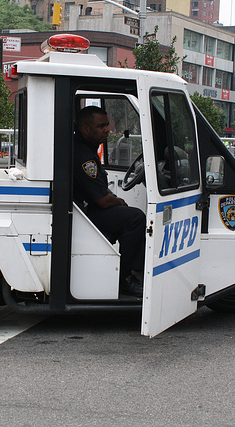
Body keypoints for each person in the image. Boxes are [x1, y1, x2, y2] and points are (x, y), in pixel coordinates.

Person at [73, 106, 146, 297]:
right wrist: (119, 201)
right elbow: (103, 201)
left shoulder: (85, 149)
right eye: (101, 126)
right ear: (86, 129)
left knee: (127, 215)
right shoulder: (84, 157)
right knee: (135, 218)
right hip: (83, 214)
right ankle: (125, 277)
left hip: (84, 210)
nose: (107, 130)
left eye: (107, 125)